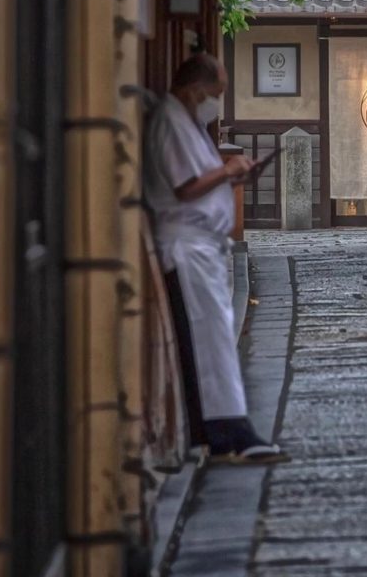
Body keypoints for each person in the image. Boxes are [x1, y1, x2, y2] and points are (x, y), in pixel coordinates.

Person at [143, 53, 285, 462]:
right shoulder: (170, 121)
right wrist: (227, 172)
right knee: (206, 339)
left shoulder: (188, 123)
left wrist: (232, 173)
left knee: (211, 337)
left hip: (201, 244)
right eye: (214, 94)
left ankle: (216, 429)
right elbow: (186, 187)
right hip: (186, 244)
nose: (216, 102)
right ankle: (227, 429)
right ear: (193, 89)